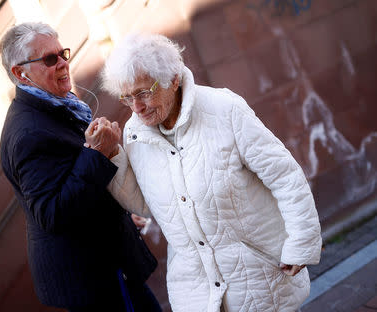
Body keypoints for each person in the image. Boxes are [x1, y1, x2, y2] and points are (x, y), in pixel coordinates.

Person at [101, 33, 322, 312]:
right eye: (127, 97)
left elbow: (284, 176)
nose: (137, 107)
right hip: (196, 294)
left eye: (144, 92)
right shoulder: (135, 133)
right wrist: (111, 157)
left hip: (259, 281)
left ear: (173, 79)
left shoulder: (224, 110)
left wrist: (301, 243)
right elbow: (150, 205)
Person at [0, 22, 161, 312]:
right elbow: (52, 213)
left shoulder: (56, 105)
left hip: (107, 262)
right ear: (20, 73)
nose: (63, 63)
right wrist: (97, 152)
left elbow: (69, 179)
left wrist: (117, 214)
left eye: (62, 54)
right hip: (95, 278)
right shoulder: (28, 134)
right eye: (50, 59)